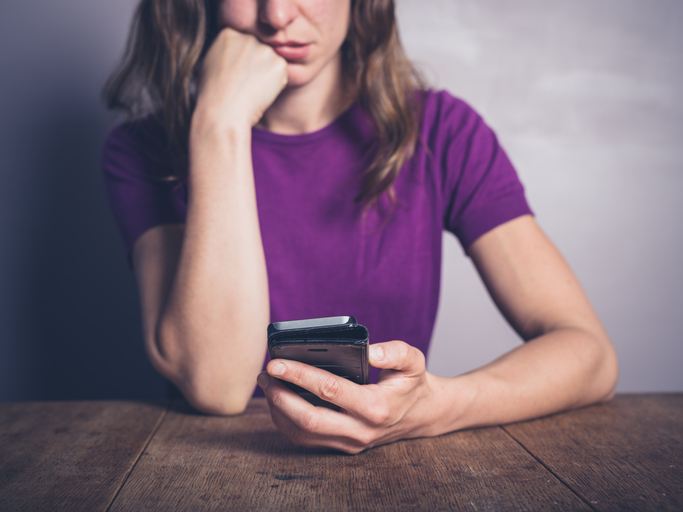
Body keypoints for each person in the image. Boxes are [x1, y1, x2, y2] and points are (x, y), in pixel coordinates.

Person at [102, 0, 618, 454]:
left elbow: (589, 355)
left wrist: (437, 405)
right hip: (201, 470)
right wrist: (220, 124)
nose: (277, 15)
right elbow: (216, 387)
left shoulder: (443, 132)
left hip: (397, 472)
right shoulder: (143, 151)